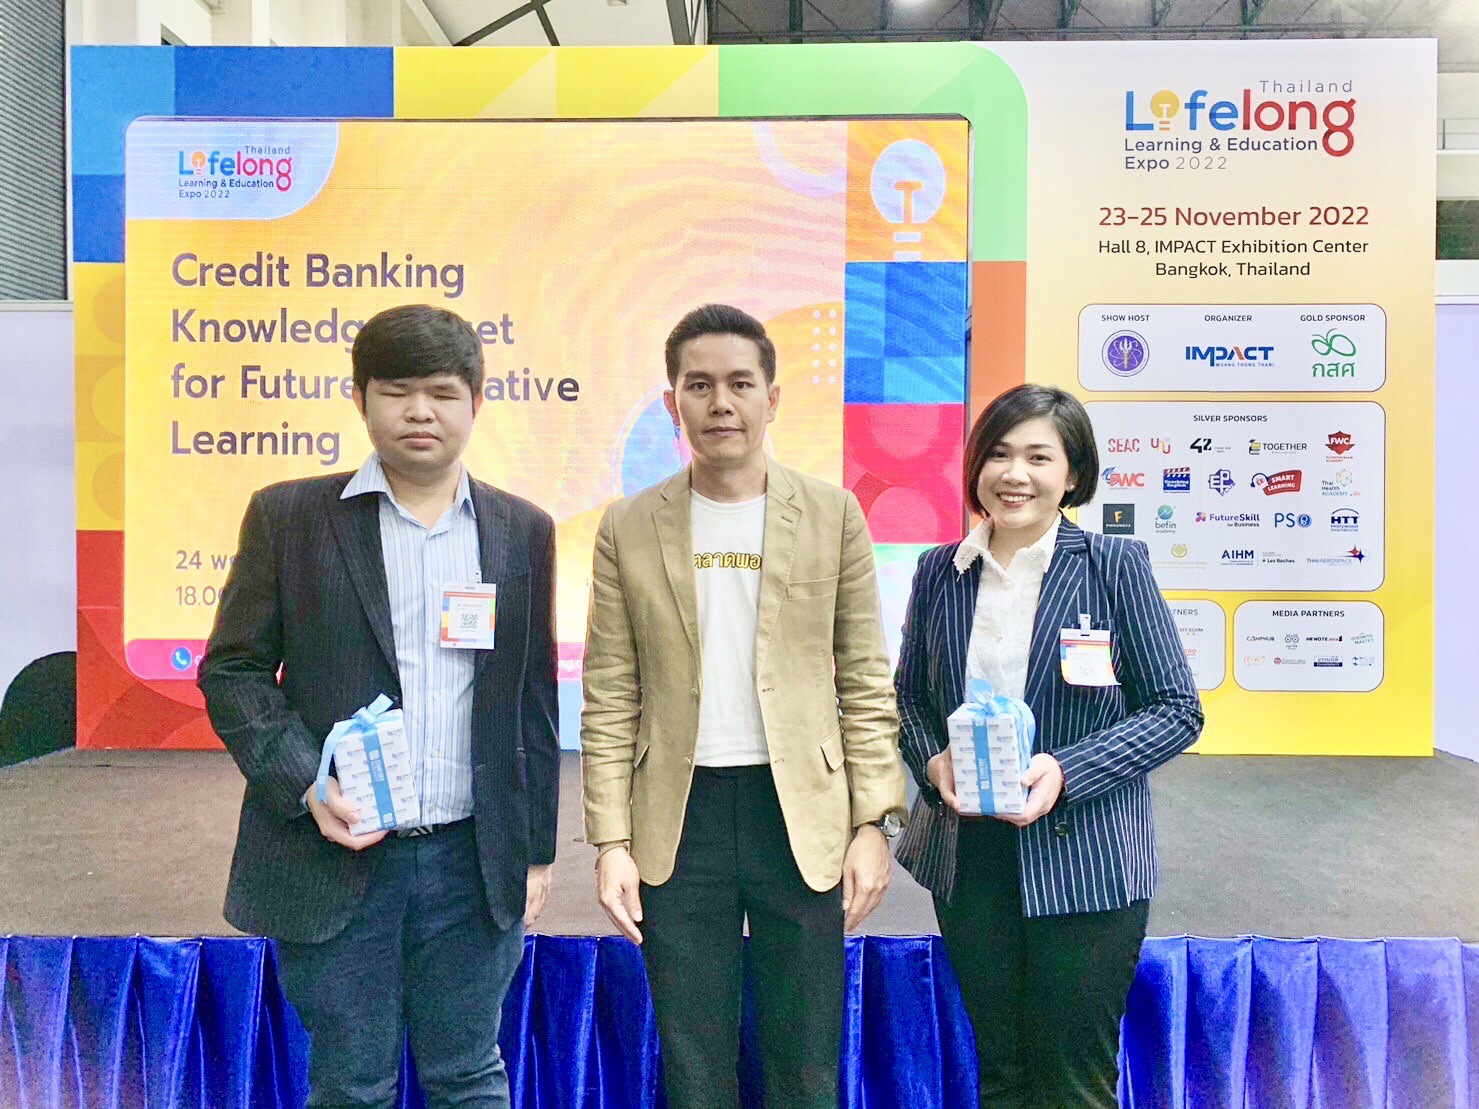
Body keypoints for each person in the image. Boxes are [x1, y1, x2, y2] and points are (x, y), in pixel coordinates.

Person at [198, 304, 559, 1109]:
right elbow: (233, 670)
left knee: (469, 1075)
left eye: (442, 392)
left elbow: (531, 699)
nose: (420, 411)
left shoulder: (521, 529)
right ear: (359, 398)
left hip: (473, 861)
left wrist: (535, 852)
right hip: (336, 857)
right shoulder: (290, 516)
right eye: (397, 391)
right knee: (352, 1083)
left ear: (476, 401)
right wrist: (305, 782)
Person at [580, 304, 907, 1108]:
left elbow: (866, 678)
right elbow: (610, 689)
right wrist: (611, 840)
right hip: (677, 818)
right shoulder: (628, 525)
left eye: (738, 383)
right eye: (699, 385)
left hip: (799, 812)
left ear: (772, 397)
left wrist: (874, 821)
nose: (719, 402)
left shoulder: (832, 514)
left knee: (805, 1061)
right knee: (694, 1066)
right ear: (673, 403)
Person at [893, 383, 1203, 1109]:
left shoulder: (1113, 566)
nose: (1014, 474)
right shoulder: (940, 571)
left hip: (1085, 860)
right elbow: (907, 698)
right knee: (1001, 1073)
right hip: (969, 857)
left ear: (1072, 474)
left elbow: (1176, 710)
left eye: (1038, 457)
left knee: (1072, 1080)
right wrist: (932, 759)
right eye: (998, 454)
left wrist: (1065, 770)